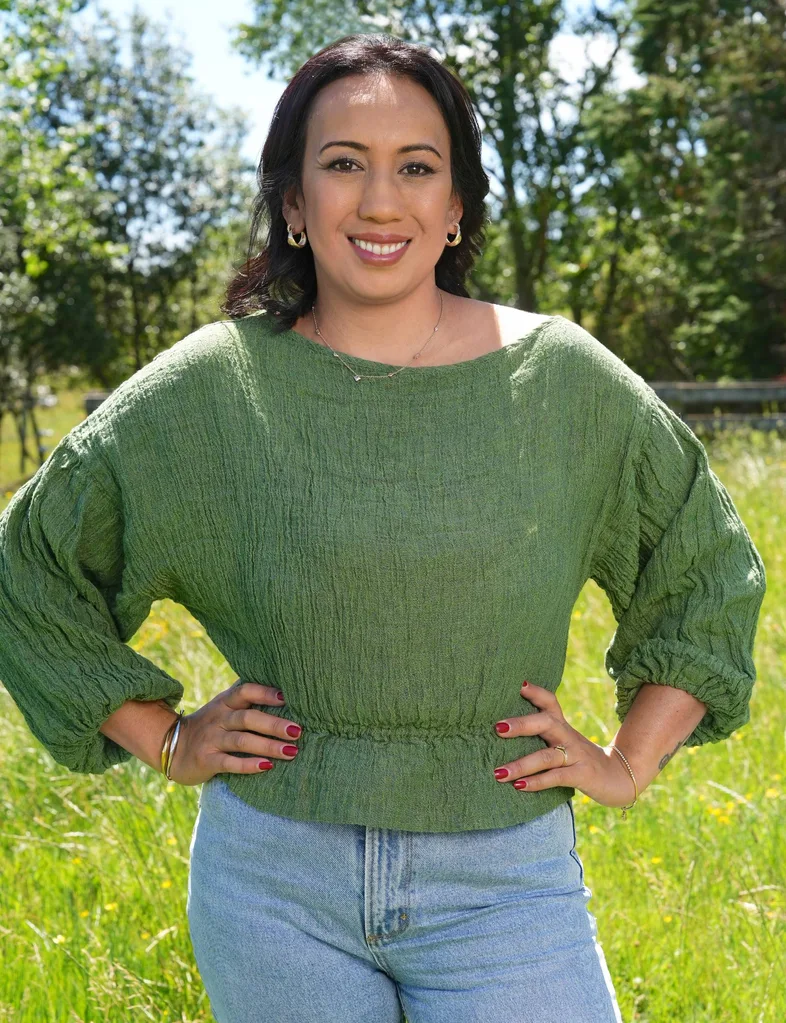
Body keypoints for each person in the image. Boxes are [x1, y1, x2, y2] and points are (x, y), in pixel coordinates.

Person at [0, 32, 766, 1023]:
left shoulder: (563, 380)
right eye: (342, 165)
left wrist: (627, 763)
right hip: (272, 886)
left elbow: (703, 567)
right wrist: (170, 738)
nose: (379, 200)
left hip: (505, 881)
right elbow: (31, 565)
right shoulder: (211, 392)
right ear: (292, 202)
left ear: (454, 208)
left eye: (416, 167)